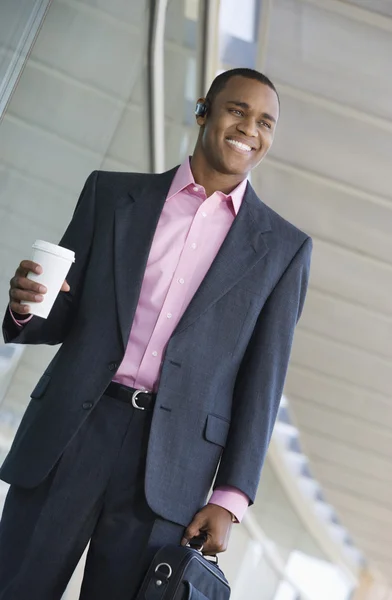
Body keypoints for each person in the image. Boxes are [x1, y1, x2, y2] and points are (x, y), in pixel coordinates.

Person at [0, 67, 312, 600]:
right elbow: (62, 316)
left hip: (172, 468)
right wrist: (27, 305)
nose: (249, 129)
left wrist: (230, 497)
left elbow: (263, 383)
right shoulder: (111, 195)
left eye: (265, 122)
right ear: (203, 111)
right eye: (237, 110)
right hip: (70, 432)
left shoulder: (282, 250)